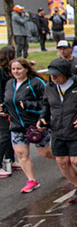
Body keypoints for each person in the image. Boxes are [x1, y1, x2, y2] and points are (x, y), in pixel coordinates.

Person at [38, 58, 77, 203]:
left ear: (66, 73)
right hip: (58, 129)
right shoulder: (50, 87)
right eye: (51, 74)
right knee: (62, 161)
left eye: (56, 74)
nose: (53, 77)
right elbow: (46, 105)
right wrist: (42, 118)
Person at [2, 58, 52, 193]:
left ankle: (64, 159)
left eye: (19, 68)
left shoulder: (36, 83)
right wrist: (4, 109)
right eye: (13, 69)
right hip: (17, 125)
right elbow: (9, 101)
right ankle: (32, 180)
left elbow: (47, 102)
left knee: (45, 152)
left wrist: (29, 105)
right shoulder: (9, 84)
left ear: (26, 69)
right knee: (21, 154)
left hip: (35, 124)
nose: (16, 72)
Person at [0, 47, 15, 177]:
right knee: (4, 135)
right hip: (2, 107)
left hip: (8, 105)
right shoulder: (1, 72)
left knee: (10, 133)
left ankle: (10, 159)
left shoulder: (7, 71)